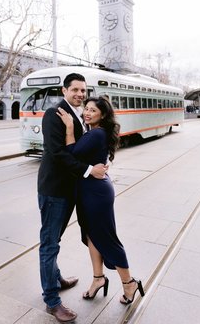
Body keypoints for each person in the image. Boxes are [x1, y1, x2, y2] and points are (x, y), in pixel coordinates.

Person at [57, 96, 144, 305]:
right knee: (91, 235)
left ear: (102, 115)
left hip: (95, 193)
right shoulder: (95, 132)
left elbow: (72, 153)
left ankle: (129, 282)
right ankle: (98, 279)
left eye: (92, 111)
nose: (87, 113)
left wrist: (69, 127)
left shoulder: (96, 133)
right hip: (90, 190)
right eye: (86, 109)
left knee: (106, 237)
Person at [37, 73, 107, 323]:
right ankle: (52, 301)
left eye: (82, 90)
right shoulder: (54, 114)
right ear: (64, 90)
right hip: (55, 189)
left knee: (55, 238)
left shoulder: (79, 114)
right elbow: (57, 154)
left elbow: (81, 147)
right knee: (49, 243)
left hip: (70, 189)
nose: (79, 94)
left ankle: (56, 278)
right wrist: (89, 170)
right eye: (75, 89)